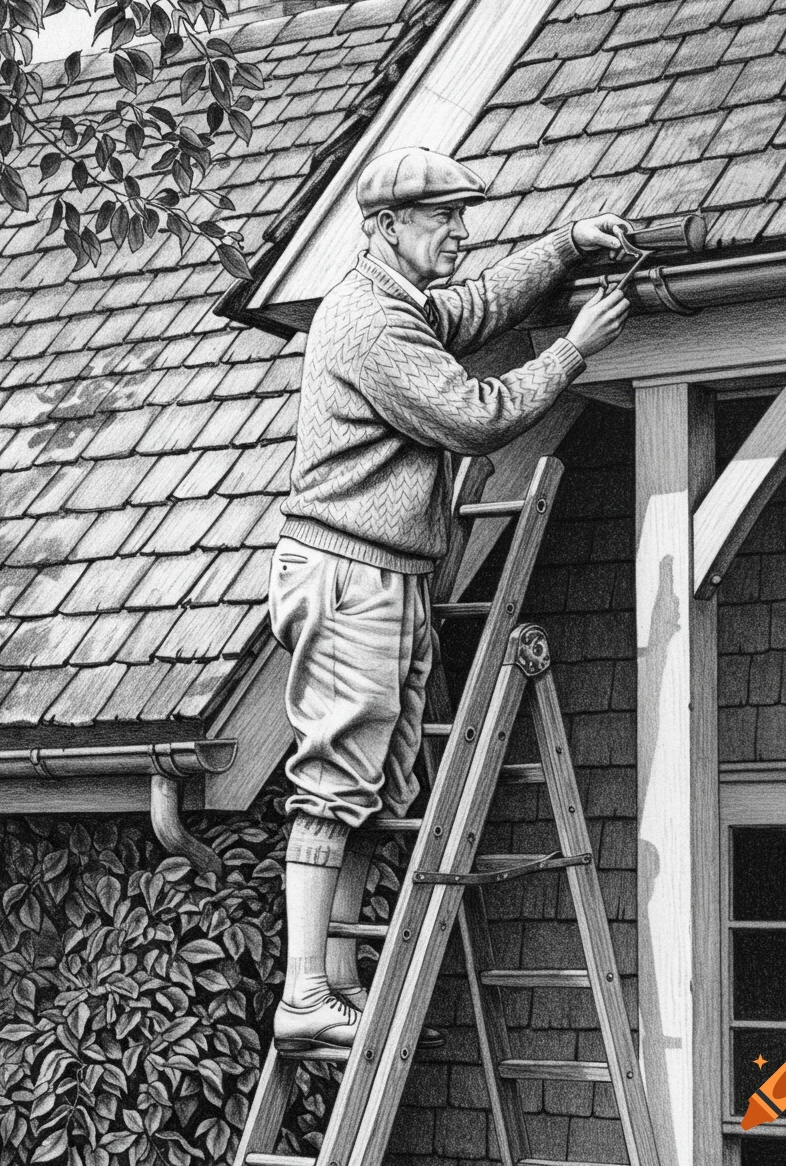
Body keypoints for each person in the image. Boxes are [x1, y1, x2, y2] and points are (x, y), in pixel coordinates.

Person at [269, 146, 630, 1048]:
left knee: (371, 787)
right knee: (332, 785)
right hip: (351, 573)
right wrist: (573, 352)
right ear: (388, 227)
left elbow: (471, 310)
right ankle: (304, 995)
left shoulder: (400, 304)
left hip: (384, 571)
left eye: (464, 217)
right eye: (444, 219)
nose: (462, 233)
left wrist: (562, 247)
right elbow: (475, 416)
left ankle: (332, 985)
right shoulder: (370, 323)